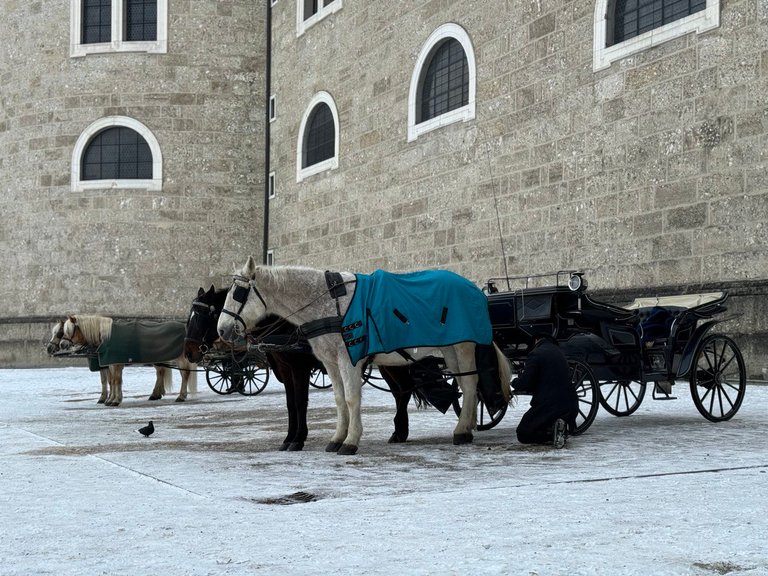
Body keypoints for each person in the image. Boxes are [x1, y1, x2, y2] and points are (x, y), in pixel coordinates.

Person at [511, 334, 578, 448]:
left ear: (536, 340)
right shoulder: (559, 352)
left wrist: (514, 382)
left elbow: (525, 383)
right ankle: (558, 427)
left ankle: (552, 433)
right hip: (570, 405)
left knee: (523, 434)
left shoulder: (536, 354)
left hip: (549, 405)